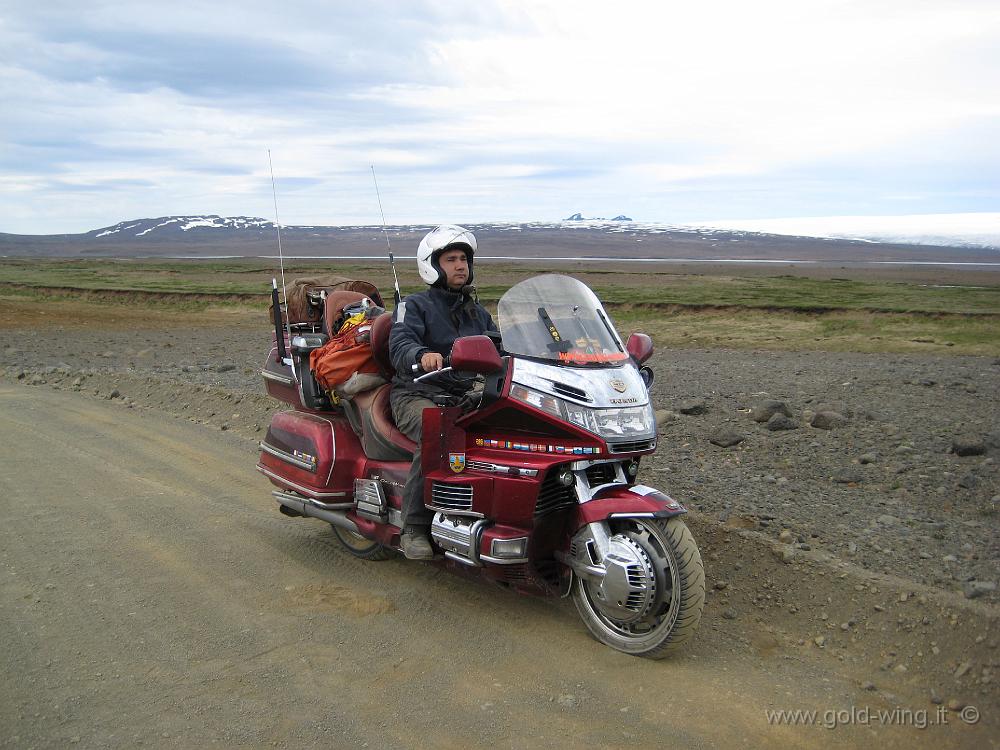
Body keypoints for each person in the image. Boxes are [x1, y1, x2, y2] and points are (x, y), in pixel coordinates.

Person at [388, 225, 498, 559]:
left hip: (465, 394)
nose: (460, 265)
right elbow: (400, 342)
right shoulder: (413, 305)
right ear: (432, 266)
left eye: (463, 259)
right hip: (417, 393)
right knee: (438, 430)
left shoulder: (476, 312)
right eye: (451, 259)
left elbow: (499, 346)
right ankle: (413, 527)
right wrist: (421, 356)